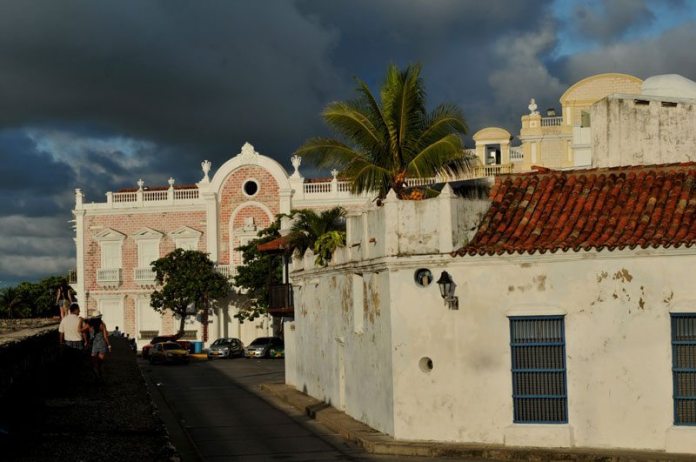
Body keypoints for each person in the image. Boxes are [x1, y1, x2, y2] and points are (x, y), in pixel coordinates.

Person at [83, 311, 111, 381]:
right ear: (100, 317)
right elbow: (105, 336)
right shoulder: (102, 325)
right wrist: (109, 345)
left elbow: (80, 330)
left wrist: (86, 340)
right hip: (102, 345)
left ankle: (96, 377)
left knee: (93, 363)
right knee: (100, 364)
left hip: (93, 345)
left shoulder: (89, 325)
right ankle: (100, 377)